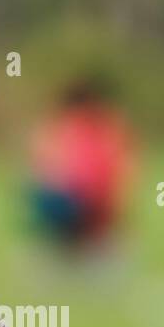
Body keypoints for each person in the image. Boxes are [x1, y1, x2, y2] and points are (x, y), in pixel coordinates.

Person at [30, 80, 135, 251]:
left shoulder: (98, 130)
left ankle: (77, 241)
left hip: (91, 204)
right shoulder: (74, 129)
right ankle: (71, 241)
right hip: (79, 203)